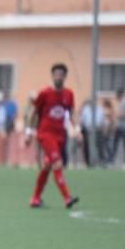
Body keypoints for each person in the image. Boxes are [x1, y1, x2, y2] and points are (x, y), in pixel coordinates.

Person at [25, 63, 79, 209]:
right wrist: (29, 132)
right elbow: (32, 112)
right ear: (52, 76)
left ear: (65, 77)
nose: (58, 77)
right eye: (56, 74)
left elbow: (72, 113)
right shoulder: (44, 93)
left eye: (61, 74)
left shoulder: (69, 94)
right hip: (45, 134)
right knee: (57, 164)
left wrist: (77, 130)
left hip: (60, 136)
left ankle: (35, 198)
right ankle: (67, 197)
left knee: (47, 167)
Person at [108, 88, 125, 169]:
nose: (116, 97)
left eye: (117, 95)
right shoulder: (121, 103)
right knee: (115, 144)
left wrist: (112, 115)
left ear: (120, 94)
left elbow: (123, 114)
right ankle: (111, 161)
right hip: (119, 127)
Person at [78, 99, 103, 168]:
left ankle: (100, 161)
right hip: (87, 130)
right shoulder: (86, 109)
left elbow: (101, 119)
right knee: (86, 146)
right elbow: (82, 120)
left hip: (97, 130)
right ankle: (88, 162)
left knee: (98, 146)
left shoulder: (99, 109)